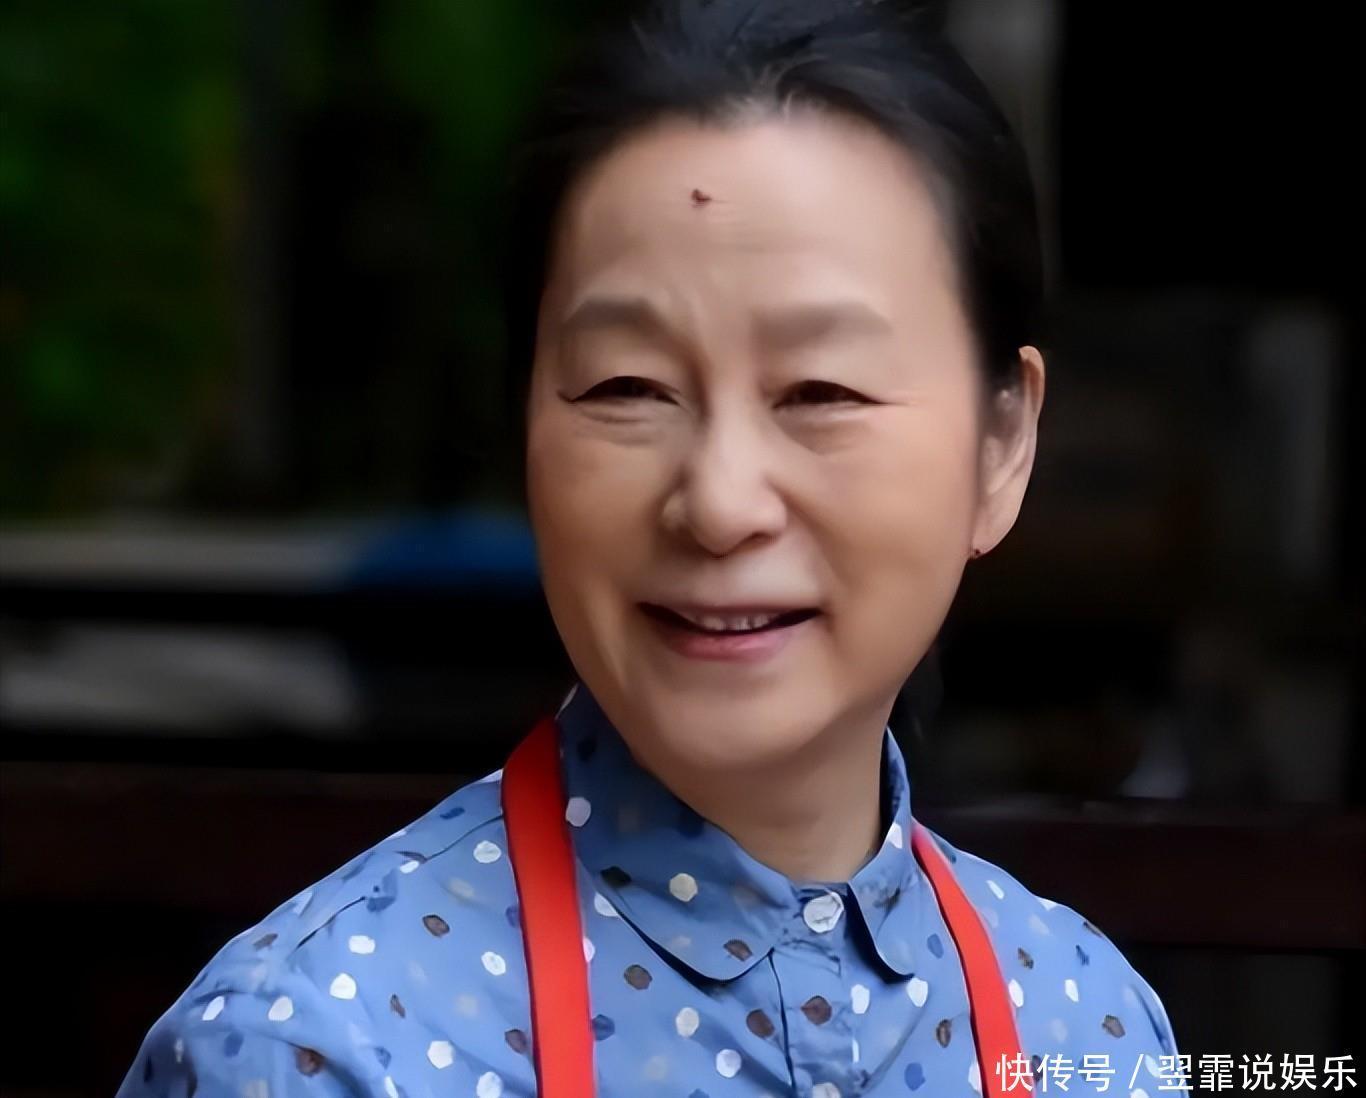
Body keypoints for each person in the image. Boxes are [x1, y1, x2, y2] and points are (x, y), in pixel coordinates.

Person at [118, 2, 1187, 1095]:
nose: (719, 504)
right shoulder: (314, 1051)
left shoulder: (1091, 1025)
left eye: (821, 390)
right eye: (627, 388)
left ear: (1002, 445)